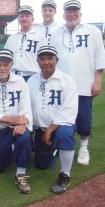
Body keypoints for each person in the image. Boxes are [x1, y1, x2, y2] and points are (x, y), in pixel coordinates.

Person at [49, 0, 105, 166]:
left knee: (83, 118)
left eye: (75, 11)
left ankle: (83, 147)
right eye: (69, 11)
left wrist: (98, 81)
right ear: (63, 14)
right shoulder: (56, 33)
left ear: (80, 13)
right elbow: (51, 59)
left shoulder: (93, 31)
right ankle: (59, 145)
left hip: (84, 84)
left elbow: (100, 59)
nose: (72, 14)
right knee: (59, 116)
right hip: (60, 85)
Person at [0, 49, 34, 194]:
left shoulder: (20, 81)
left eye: (6, 65)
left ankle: (20, 174)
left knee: (25, 138)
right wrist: (11, 119)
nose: (2, 68)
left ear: (11, 65)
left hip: (17, 127)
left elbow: (26, 106)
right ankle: (11, 150)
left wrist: (22, 124)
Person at [27, 45, 78, 194]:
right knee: (42, 165)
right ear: (37, 61)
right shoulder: (31, 80)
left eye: (50, 58)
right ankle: (53, 151)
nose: (46, 62)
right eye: (42, 59)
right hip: (40, 129)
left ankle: (65, 174)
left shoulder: (67, 81)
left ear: (57, 60)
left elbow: (69, 110)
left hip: (61, 126)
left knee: (65, 135)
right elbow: (26, 107)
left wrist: (50, 130)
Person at [4, 5, 47, 81]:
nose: (24, 18)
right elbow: (5, 58)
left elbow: (44, 59)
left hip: (33, 77)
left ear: (32, 19)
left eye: (27, 16)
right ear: (18, 19)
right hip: (13, 76)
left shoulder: (40, 37)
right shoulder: (12, 38)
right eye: (22, 16)